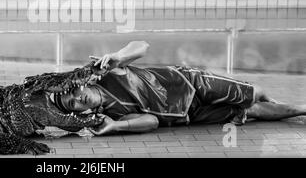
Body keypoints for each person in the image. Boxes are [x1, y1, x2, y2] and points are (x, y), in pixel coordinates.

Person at [53, 41, 306, 135]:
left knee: (254, 93)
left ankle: (275, 100)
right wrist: (115, 126)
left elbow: (142, 46)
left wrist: (118, 55)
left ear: (78, 83)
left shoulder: (108, 71)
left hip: (191, 83)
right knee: (252, 112)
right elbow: (151, 121)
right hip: (188, 116)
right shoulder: (110, 116)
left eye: (73, 93)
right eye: (73, 104)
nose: (79, 99)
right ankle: (301, 109)